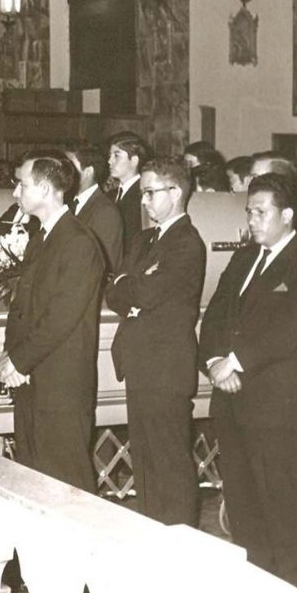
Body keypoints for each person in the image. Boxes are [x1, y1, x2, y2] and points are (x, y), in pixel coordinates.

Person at [198, 173, 297, 587]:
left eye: (261, 212)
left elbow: (292, 327)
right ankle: (257, 579)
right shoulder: (243, 259)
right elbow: (216, 315)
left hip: (279, 404)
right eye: (249, 212)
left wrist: (235, 362)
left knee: (284, 498)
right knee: (243, 497)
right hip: (232, 399)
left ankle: (290, 585)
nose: (252, 220)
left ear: (288, 215)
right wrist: (215, 361)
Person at [105, 156, 206, 525]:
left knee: (169, 460)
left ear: (175, 192)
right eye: (143, 193)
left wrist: (130, 287)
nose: (144, 200)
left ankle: (179, 536)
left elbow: (144, 293)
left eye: (150, 192)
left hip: (166, 366)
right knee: (145, 460)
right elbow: (114, 292)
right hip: (139, 361)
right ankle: (152, 532)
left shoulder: (186, 243)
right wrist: (131, 287)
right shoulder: (144, 239)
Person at [0, 150, 106, 491]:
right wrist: (10, 357)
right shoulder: (41, 239)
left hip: (60, 384)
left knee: (67, 483)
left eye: (22, 185)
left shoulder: (78, 242)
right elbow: (22, 308)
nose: (15, 192)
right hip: (31, 379)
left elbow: (61, 316)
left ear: (45, 189)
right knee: (34, 478)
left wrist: (19, 360)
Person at [65, 144, 124, 273]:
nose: (64, 174)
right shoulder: (67, 205)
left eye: (70, 168)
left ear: (88, 172)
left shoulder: (106, 211)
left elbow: (104, 266)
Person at [107, 131, 150, 253]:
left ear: (134, 160)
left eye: (116, 156)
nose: (109, 161)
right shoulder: (110, 195)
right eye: (110, 156)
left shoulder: (143, 195)